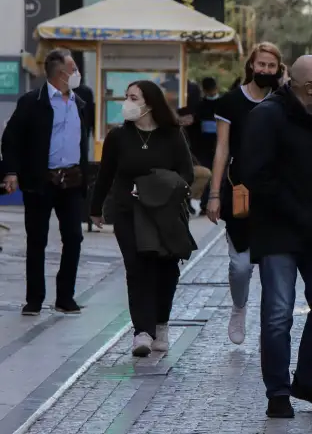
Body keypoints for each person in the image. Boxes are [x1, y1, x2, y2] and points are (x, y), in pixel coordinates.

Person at [239, 55, 312, 419]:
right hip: (279, 232)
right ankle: (278, 391)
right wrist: (298, 212)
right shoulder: (268, 116)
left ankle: (306, 378)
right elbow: (255, 173)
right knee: (278, 313)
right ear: (304, 86)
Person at [90, 80, 195, 356]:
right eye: (126, 97)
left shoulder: (172, 135)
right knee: (137, 269)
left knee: (166, 270)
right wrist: (95, 207)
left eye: (133, 98)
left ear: (149, 103)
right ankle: (142, 332)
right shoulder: (118, 137)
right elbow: (106, 174)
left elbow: (187, 174)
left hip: (164, 214)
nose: (127, 102)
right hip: (127, 211)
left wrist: (156, 186)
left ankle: (160, 324)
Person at [1, 48, 90, 316]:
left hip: (71, 180)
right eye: (73, 68)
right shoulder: (32, 101)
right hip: (41, 181)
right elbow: (11, 139)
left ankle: (65, 297)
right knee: (37, 240)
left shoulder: (81, 101)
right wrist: (11, 172)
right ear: (61, 73)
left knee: (74, 237)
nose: (77, 72)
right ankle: (34, 299)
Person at [207, 42, 283, 346]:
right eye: (260, 64)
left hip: (275, 195)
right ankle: (238, 308)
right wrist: (214, 194)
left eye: (271, 66)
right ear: (251, 65)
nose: (265, 70)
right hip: (239, 192)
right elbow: (221, 149)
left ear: (279, 69)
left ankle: (271, 326)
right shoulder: (229, 103)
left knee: (273, 265)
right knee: (240, 265)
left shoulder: (283, 102)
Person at [191, 77, 219, 214]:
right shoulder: (200, 105)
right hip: (204, 145)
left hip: (219, 145)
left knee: (219, 174)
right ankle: (204, 203)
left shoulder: (224, 103)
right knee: (207, 174)